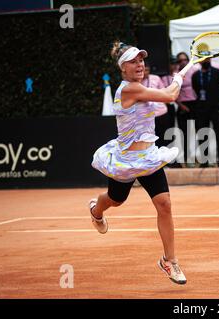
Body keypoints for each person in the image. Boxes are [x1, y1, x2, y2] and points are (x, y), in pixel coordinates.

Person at [90, 41, 188, 285]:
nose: (139, 64)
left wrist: (175, 78)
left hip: (149, 158)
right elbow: (170, 96)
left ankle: (170, 260)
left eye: (141, 60)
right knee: (115, 200)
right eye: (133, 61)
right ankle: (96, 210)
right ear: (123, 68)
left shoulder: (140, 87)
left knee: (164, 204)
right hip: (126, 160)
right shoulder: (128, 90)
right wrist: (178, 77)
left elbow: (167, 96)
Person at [191, 58, 219, 167]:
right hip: (201, 108)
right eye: (203, 59)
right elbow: (196, 89)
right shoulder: (195, 75)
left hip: (216, 107)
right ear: (200, 61)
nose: (205, 61)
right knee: (202, 134)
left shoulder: (218, 72)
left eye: (207, 59)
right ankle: (204, 160)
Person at [175, 52, 197, 167]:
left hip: (195, 105)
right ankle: (187, 159)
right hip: (182, 105)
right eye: (180, 60)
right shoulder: (176, 74)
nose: (183, 62)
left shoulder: (194, 70)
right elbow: (173, 93)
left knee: (201, 131)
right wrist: (181, 105)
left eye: (185, 60)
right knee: (184, 134)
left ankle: (201, 158)